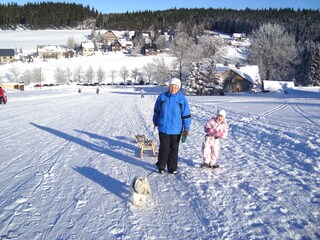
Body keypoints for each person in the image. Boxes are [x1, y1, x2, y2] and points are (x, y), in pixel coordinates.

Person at [153, 78, 192, 174]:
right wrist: (155, 121)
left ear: (178, 88)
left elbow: (186, 115)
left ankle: (172, 168)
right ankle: (161, 166)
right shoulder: (162, 97)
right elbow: (157, 111)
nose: (173, 89)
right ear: (169, 87)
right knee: (164, 148)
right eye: (171, 87)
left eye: (175, 87)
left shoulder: (182, 99)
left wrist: (186, 129)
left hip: (176, 130)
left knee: (174, 149)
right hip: (163, 128)